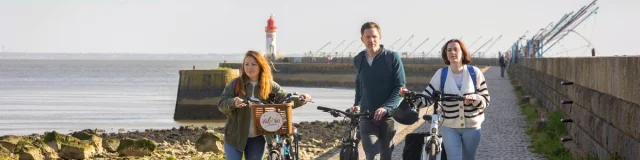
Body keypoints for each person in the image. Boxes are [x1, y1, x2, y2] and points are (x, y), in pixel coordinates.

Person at [400, 39, 490, 160]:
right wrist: (410, 96)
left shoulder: (475, 73)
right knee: (454, 158)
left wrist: (474, 98)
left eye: (455, 49)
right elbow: (428, 97)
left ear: (463, 52)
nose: (452, 52)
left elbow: (485, 99)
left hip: (472, 127)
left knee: (469, 157)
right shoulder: (441, 74)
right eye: (449, 50)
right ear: (445, 54)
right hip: (449, 126)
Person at [218, 50, 312, 160]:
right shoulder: (236, 84)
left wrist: (302, 98)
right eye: (246, 64)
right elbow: (221, 104)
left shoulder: (269, 85)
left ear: (261, 66)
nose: (249, 68)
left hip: (258, 138)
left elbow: (286, 100)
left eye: (254, 64)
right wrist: (233, 102)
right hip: (234, 137)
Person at [350, 22, 406, 160]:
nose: (371, 40)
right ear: (362, 39)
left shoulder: (392, 57)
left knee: (386, 155)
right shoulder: (358, 59)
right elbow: (360, 85)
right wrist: (357, 104)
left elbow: (400, 87)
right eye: (367, 37)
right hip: (366, 115)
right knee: (372, 154)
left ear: (380, 37)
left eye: (374, 36)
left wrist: (386, 107)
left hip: (388, 116)